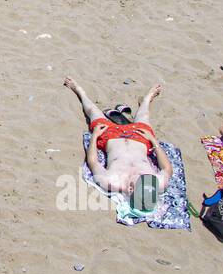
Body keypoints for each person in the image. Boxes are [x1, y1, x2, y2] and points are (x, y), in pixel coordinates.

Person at [65, 77, 172, 210]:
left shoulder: (111, 181)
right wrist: (153, 141)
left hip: (110, 137)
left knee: (93, 112)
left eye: (141, 179)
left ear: (130, 189)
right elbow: (167, 169)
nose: (142, 176)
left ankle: (79, 91)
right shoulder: (156, 184)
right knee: (144, 117)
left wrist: (95, 137)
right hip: (141, 139)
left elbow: (93, 162)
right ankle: (146, 99)